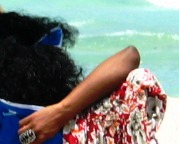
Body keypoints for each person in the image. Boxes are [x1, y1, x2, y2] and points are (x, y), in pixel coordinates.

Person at [0, 10, 166, 144]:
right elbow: (130, 58)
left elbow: (130, 57)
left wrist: (59, 113)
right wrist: (61, 112)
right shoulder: (87, 125)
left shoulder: (78, 122)